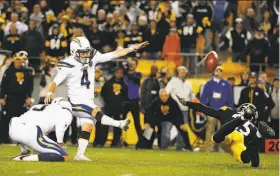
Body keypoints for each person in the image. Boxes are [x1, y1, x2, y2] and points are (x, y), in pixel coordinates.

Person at [44, 36, 148, 161]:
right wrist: (49, 92)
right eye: (82, 52)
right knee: (96, 113)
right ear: (74, 52)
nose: (86, 55)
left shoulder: (92, 56)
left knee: (88, 126)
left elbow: (115, 54)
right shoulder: (69, 63)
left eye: (86, 51)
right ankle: (119, 124)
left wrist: (132, 48)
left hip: (87, 99)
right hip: (76, 100)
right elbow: (56, 81)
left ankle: (79, 155)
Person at [177, 98, 275, 167]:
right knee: (245, 157)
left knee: (218, 138)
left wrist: (188, 103)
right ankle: (259, 135)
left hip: (228, 133)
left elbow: (207, 110)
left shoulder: (227, 111)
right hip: (239, 139)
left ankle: (242, 122)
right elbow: (254, 149)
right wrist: (256, 164)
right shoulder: (253, 127)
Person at [9, 98, 72, 162]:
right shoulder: (64, 111)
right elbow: (60, 125)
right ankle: (24, 158)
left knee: (23, 124)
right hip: (30, 131)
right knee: (63, 155)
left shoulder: (39, 106)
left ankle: (24, 151)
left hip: (13, 128)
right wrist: (60, 142)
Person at [0, 55, 33, 144]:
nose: (18, 63)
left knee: (22, 119)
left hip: (22, 99)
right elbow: (3, 85)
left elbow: (29, 85)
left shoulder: (26, 72)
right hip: (10, 98)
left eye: (20, 61)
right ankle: (4, 139)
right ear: (14, 61)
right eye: (17, 61)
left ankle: (22, 139)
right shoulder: (8, 71)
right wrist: (2, 97)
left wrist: (29, 96)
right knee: (6, 119)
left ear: (22, 62)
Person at [200, 66, 233, 152]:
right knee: (210, 129)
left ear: (222, 73)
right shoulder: (209, 84)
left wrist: (230, 110)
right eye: (216, 70)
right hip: (212, 110)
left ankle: (221, 149)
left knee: (222, 131)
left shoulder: (226, 84)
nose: (218, 72)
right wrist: (202, 108)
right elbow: (204, 97)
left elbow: (230, 98)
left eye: (220, 71)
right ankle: (209, 148)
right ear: (214, 72)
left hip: (223, 111)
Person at [165, 66, 195, 150]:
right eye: (180, 71)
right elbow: (166, 92)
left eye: (183, 72)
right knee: (168, 126)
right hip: (174, 109)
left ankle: (180, 146)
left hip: (185, 109)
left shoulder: (188, 83)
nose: (182, 73)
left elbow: (192, 96)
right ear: (177, 72)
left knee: (182, 129)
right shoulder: (173, 81)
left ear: (186, 73)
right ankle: (164, 144)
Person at [100, 67, 128, 147]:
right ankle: (101, 142)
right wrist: (107, 102)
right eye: (118, 72)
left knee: (118, 125)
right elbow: (103, 93)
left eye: (121, 73)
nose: (119, 74)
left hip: (118, 108)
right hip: (109, 106)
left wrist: (122, 106)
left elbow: (125, 96)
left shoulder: (124, 85)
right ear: (115, 73)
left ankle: (116, 143)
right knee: (105, 125)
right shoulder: (108, 83)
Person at [123, 59, 143, 140]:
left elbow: (134, 79)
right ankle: (116, 141)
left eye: (133, 64)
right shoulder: (124, 74)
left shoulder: (138, 74)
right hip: (124, 101)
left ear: (136, 65)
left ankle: (141, 141)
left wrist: (125, 69)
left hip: (134, 101)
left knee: (137, 122)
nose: (131, 65)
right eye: (130, 64)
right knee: (119, 121)